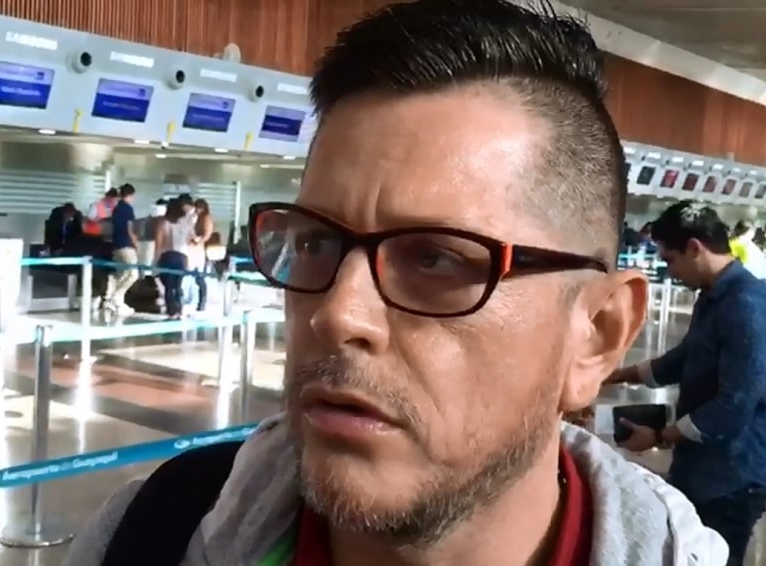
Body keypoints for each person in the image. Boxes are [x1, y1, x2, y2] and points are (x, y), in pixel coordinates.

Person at [64, 2, 727, 565]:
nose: (337, 314)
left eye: (436, 258)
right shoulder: (150, 533)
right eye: (316, 243)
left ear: (597, 335)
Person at [610, 201, 766, 566]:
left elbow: (733, 405)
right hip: (701, 468)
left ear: (695, 247)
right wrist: (615, 375)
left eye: (671, 259)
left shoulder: (747, 306)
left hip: (732, 477)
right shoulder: (713, 296)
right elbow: (686, 357)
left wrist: (660, 437)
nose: (669, 270)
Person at [154, 199, 193, 319]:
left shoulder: (164, 223)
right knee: (178, 285)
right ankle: (179, 308)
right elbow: (188, 241)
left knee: (169, 286)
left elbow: (159, 243)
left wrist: (155, 259)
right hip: (182, 257)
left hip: (168, 256)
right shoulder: (185, 223)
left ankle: (171, 311)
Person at [104, 183, 138, 316]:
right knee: (132, 274)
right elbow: (129, 228)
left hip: (116, 245)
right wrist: (135, 241)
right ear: (130, 195)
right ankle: (116, 298)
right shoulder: (127, 209)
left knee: (120, 273)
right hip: (126, 245)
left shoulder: (116, 208)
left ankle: (115, 301)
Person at [188, 198, 215, 312]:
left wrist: (199, 240)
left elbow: (207, 234)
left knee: (200, 277)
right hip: (196, 249)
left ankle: (202, 302)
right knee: (197, 277)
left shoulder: (206, 218)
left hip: (201, 250)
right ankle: (199, 301)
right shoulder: (197, 217)